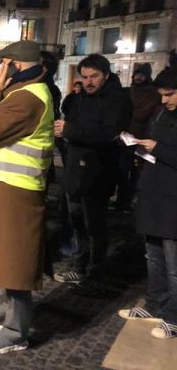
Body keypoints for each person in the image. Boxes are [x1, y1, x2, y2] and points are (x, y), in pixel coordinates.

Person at [0, 41, 54, 354]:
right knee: (1, 255)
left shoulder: (29, 96)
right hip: (0, 184)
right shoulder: (19, 94)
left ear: (14, 64)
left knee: (15, 260)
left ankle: (17, 331)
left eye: (3, 63)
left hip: (15, 189)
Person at [53, 54, 132, 294]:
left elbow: (110, 134)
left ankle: (95, 270)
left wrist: (71, 130)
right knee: (77, 222)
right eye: (85, 76)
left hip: (98, 173)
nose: (88, 82)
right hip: (76, 170)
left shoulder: (117, 100)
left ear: (106, 75)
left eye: (94, 76)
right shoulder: (80, 99)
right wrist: (64, 132)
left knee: (94, 225)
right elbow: (75, 127)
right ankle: (80, 264)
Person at [119, 67, 177, 339]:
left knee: (173, 263)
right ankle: (155, 304)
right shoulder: (161, 112)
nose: (165, 100)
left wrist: (159, 149)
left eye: (171, 94)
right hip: (152, 193)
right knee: (152, 257)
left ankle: (174, 317)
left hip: (173, 200)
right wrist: (140, 147)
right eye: (162, 95)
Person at [114, 64, 162, 212]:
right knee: (121, 170)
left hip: (141, 138)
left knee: (136, 172)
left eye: (142, 74)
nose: (138, 77)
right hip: (125, 137)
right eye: (137, 74)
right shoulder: (128, 91)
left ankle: (128, 201)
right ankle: (121, 200)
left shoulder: (152, 93)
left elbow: (144, 113)